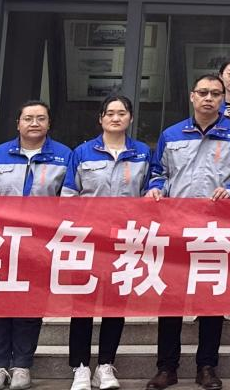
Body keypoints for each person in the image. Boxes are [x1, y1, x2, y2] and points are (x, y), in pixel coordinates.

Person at [143, 75, 230, 390]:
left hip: (215, 229)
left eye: (215, 94)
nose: (209, 98)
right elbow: (158, 172)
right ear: (192, 97)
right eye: (203, 93)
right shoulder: (171, 134)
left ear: (222, 100)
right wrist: (156, 188)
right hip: (176, 227)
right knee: (170, 299)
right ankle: (167, 367)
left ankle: (207, 366)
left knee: (211, 300)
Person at [0, 100, 74, 390]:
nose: (34, 123)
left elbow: (69, 201)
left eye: (41, 118)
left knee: (31, 305)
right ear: (17, 123)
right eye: (28, 118)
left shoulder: (64, 156)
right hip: (0, 243)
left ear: (49, 123)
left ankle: (22, 365)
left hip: (40, 243)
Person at [62, 94, 154, 390]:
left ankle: (105, 365)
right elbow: (69, 195)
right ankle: (79, 367)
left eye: (122, 113)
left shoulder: (142, 153)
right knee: (83, 305)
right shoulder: (82, 152)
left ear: (130, 118)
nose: (116, 118)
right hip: (87, 240)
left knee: (116, 305)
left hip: (124, 240)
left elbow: (150, 189)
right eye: (110, 113)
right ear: (101, 118)